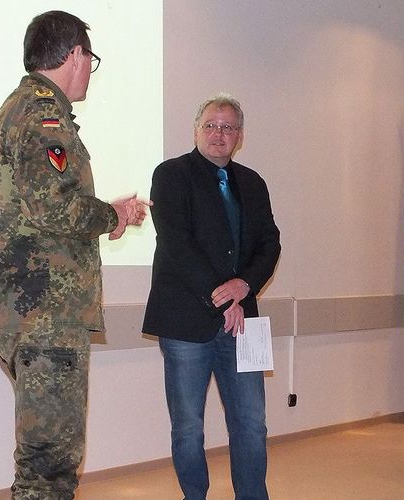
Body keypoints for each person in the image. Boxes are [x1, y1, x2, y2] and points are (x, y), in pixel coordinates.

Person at [0, 10, 149, 499]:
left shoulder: (16, 110)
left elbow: (39, 206)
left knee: (42, 458)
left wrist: (107, 213)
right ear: (75, 54)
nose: (88, 72)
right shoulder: (42, 114)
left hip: (28, 315)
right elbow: (54, 205)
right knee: (49, 467)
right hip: (47, 318)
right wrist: (108, 217)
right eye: (89, 59)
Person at [143, 93, 281, 500]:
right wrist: (224, 298)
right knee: (188, 425)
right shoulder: (170, 175)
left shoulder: (254, 183)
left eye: (228, 127)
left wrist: (245, 285)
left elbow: (270, 244)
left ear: (239, 136)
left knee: (252, 422)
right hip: (187, 322)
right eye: (211, 125)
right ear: (196, 130)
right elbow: (177, 244)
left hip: (243, 324)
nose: (218, 133)